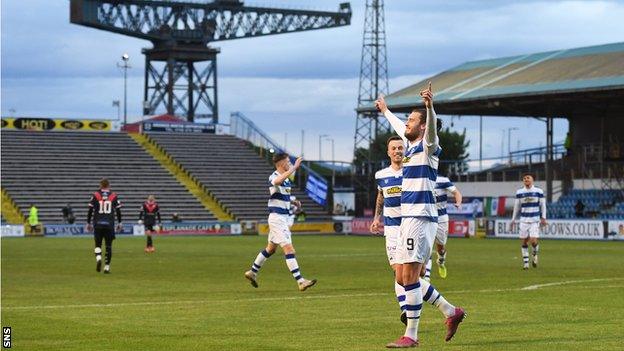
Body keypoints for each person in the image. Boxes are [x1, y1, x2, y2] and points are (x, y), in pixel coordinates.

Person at [376, 83, 465, 348]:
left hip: (421, 218)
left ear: (423, 126)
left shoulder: (428, 147)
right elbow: (397, 127)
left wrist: (429, 107)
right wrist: (385, 110)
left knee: (411, 278)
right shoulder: (410, 146)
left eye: (412, 120)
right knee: (402, 278)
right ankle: (451, 311)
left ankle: (411, 336)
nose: (407, 122)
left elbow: (432, 132)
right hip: (407, 220)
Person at [244, 153, 317, 291]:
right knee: (289, 249)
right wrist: (294, 168)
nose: (289, 163)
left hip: (280, 218)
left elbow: (280, 194)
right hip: (278, 219)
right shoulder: (274, 176)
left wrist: (292, 201)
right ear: (281, 163)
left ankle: (252, 272)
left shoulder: (286, 180)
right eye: (288, 161)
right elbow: (276, 182)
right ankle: (301, 281)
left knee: (270, 249)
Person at [423, 175, 463, 280]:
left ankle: (441, 260)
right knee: (428, 246)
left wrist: (458, 202)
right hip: (427, 217)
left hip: (441, 219)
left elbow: (456, 193)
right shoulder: (422, 180)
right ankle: (426, 277)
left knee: (440, 247)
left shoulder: (443, 181)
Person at [511, 173, 547, 270]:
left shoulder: (538, 191)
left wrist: (543, 217)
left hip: (535, 220)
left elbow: (543, 205)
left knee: (533, 241)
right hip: (523, 220)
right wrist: (513, 219)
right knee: (524, 242)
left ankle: (534, 254)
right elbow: (516, 207)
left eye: (528, 178)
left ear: (532, 180)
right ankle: (526, 264)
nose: (526, 179)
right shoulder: (519, 192)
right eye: (524, 178)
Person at [86, 178, 122, 274]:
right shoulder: (114, 196)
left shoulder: (95, 195)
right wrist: (120, 223)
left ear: (100, 185)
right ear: (109, 185)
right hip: (109, 225)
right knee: (108, 246)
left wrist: (88, 223)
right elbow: (118, 211)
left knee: (98, 245)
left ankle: (98, 258)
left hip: (98, 224)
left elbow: (90, 210)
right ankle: (106, 267)